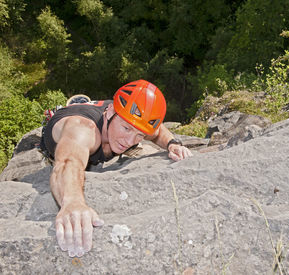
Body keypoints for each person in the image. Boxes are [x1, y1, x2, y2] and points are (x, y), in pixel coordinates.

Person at [40, 80, 193, 257]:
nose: (129, 141)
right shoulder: (83, 129)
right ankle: (72, 107)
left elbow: (157, 131)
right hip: (68, 132)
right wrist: (73, 201)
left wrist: (173, 144)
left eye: (139, 135)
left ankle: (88, 105)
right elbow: (68, 162)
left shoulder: (129, 119)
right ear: (111, 111)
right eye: (126, 128)